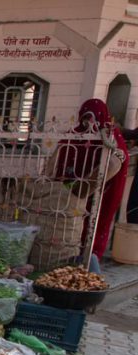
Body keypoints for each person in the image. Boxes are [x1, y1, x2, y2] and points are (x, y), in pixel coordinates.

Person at [52, 99, 128, 272]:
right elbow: (63, 157)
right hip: (74, 187)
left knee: (95, 222)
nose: (90, 122)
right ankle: (69, 254)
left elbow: (119, 159)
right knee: (72, 222)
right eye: (86, 117)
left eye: (93, 117)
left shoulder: (110, 135)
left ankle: (90, 257)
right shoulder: (74, 134)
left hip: (102, 189)